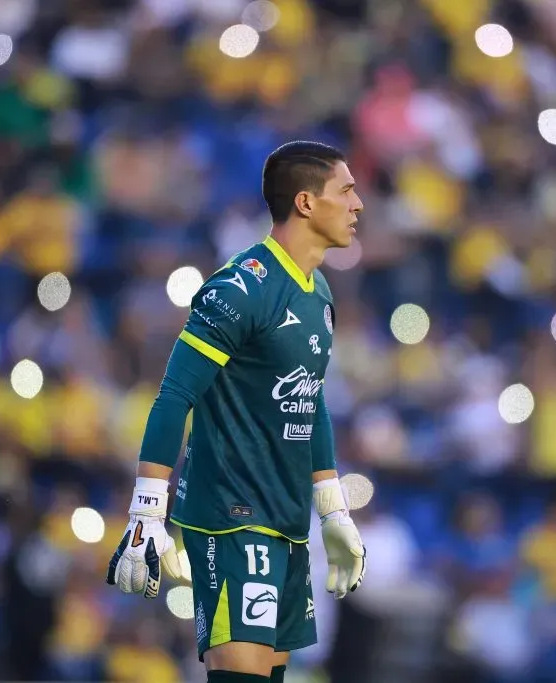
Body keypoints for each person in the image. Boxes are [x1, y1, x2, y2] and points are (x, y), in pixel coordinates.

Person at [106, 140, 368, 683]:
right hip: (230, 516)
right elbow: (175, 395)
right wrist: (146, 511)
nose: (358, 203)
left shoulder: (318, 292)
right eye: (346, 190)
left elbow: (309, 400)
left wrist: (333, 509)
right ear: (305, 203)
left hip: (287, 522)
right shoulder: (240, 288)